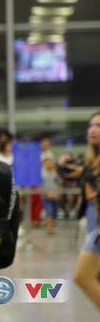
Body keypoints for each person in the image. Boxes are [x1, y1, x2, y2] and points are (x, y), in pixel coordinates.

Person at [73, 111, 100, 310]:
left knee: (82, 277)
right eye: (91, 125)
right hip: (94, 224)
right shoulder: (93, 161)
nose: (93, 130)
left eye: (98, 126)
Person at [41, 156, 60, 236]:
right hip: (46, 196)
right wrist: (46, 193)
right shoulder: (42, 173)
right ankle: (49, 229)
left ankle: (52, 225)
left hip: (55, 196)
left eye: (49, 162)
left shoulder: (55, 172)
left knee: (54, 213)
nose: (48, 164)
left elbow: (59, 183)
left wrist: (57, 192)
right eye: (46, 163)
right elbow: (40, 185)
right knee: (49, 212)